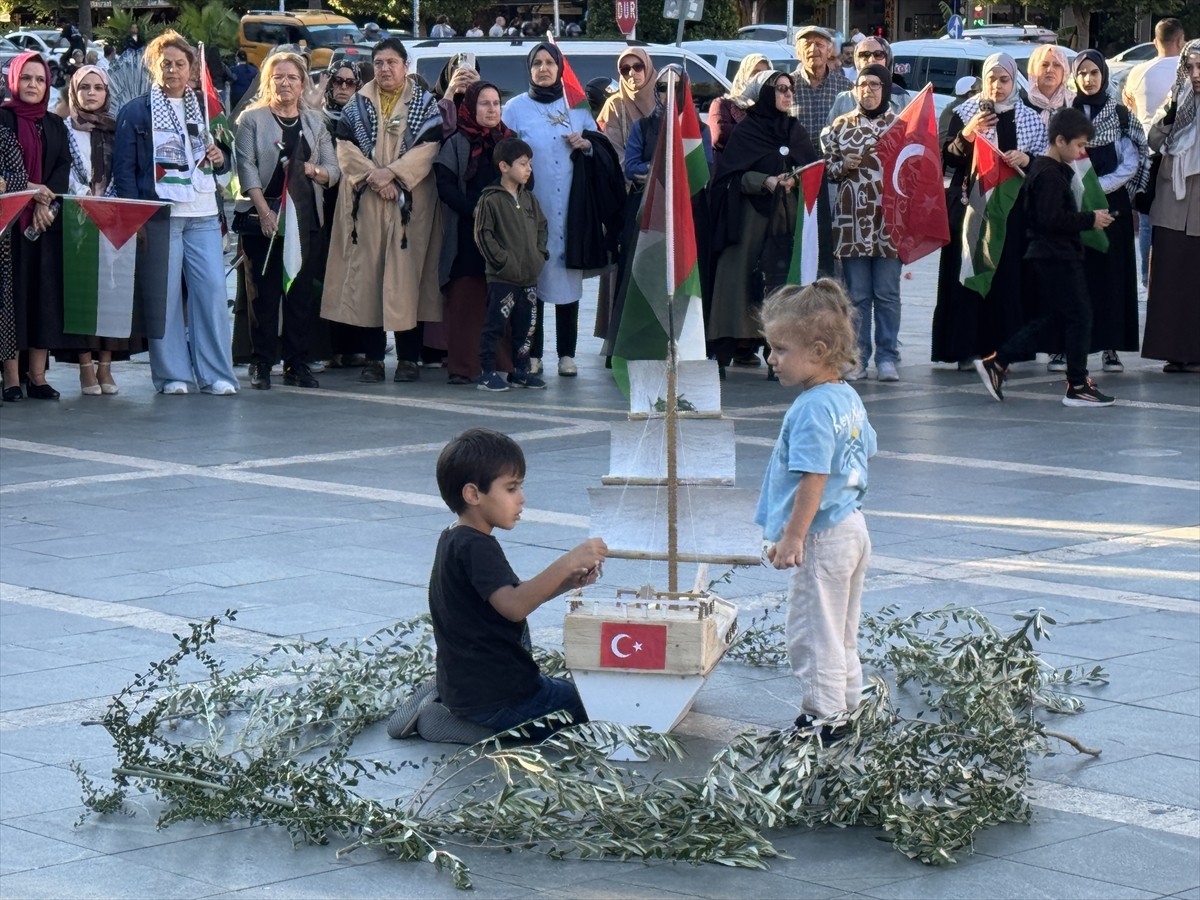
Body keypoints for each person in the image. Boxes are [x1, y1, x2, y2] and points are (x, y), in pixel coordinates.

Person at [428, 428, 605, 740]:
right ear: (473, 494)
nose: (521, 499)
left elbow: (506, 600)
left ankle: (452, 707)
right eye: (511, 488)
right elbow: (514, 606)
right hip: (500, 697)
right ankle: (472, 728)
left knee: (572, 692)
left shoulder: (455, 537)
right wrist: (568, 560)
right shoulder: (477, 546)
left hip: (474, 687)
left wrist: (566, 582)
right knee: (593, 706)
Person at [756, 280, 876, 738]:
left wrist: (793, 536)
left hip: (823, 535)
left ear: (819, 349)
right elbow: (868, 449)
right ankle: (847, 706)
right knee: (842, 629)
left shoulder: (809, 409)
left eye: (780, 349)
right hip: (853, 527)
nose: (772, 359)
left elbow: (814, 477)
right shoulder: (846, 396)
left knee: (812, 632)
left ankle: (823, 719)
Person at [111, 31, 238, 396]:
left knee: (212, 293)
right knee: (164, 298)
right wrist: (135, 219)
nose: (172, 70)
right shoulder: (136, 110)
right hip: (160, 215)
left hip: (203, 214)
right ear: (154, 66)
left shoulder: (207, 106)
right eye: (165, 64)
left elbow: (225, 157)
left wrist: (220, 157)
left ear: (192, 69)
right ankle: (172, 376)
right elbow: (124, 169)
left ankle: (216, 374)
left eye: (180, 64)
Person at [321, 38, 444, 384]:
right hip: (368, 203)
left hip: (410, 203)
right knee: (369, 280)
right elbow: (344, 149)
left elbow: (429, 147)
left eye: (392, 62)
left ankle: (408, 359)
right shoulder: (356, 105)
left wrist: (394, 174)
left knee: (408, 280)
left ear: (405, 66)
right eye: (378, 63)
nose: (385, 68)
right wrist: (376, 177)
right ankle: (373, 359)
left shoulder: (425, 104)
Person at [975, 107, 1116, 407]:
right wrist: (1089, 219)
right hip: (1056, 254)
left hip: (1050, 254)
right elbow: (1051, 219)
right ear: (1060, 140)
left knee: (1056, 318)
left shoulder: (1047, 170)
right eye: (1078, 146)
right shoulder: (1050, 174)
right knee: (1079, 316)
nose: (1081, 153)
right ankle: (1077, 385)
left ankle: (998, 362)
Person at [932, 52, 1047, 369]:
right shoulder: (963, 112)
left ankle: (1004, 348)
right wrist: (966, 135)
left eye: (1004, 79)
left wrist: (1027, 160)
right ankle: (965, 347)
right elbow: (946, 160)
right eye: (992, 79)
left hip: (1011, 213)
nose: (997, 86)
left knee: (1006, 277)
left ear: (1014, 82)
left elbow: (1046, 167)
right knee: (969, 273)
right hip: (972, 209)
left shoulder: (1029, 118)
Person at [235, 51, 338, 391]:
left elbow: (333, 172)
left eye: (292, 77)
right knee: (262, 296)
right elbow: (246, 167)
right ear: (268, 81)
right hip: (264, 218)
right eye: (278, 76)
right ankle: (261, 362)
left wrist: (311, 169)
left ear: (302, 82)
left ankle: (297, 362)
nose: (285, 82)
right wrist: (264, 212)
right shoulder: (252, 119)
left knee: (300, 295)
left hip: (305, 219)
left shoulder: (315, 122)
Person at [502, 42, 601, 378]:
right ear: (529, 69)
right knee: (535, 281)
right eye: (537, 63)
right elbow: (503, 154)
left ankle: (567, 354)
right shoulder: (515, 108)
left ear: (559, 68)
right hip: (532, 207)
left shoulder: (577, 107)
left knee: (568, 278)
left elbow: (600, 150)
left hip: (570, 208)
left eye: (549, 63)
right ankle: (534, 353)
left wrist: (586, 145)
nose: (543, 69)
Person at [709, 70, 816, 370]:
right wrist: (764, 180)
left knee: (780, 284)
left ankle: (779, 348)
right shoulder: (748, 130)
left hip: (785, 220)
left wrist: (796, 179)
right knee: (739, 280)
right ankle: (734, 344)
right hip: (749, 221)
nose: (787, 95)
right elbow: (729, 177)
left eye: (790, 89)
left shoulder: (795, 129)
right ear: (765, 94)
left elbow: (810, 167)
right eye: (780, 89)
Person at [1070, 50, 1150, 375]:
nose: (1089, 79)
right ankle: (1069, 347)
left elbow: (1134, 156)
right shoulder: (1067, 113)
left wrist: (1099, 187)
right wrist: (1081, 189)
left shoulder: (1119, 114)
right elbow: (1058, 156)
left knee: (1112, 276)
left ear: (1104, 74)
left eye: (1094, 72)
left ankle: (1110, 347)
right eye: (1083, 73)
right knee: (1077, 274)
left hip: (1112, 203)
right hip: (1074, 204)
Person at [1, 52, 73, 401]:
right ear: (13, 81)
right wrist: (34, 194)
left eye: (40, 79)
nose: (33, 85)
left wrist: (50, 205)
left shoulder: (54, 123)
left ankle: (38, 376)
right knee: (12, 299)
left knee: (43, 297)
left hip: (45, 225)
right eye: (26, 78)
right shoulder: (2, 119)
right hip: (8, 227)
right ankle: (12, 378)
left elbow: (62, 168)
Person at [435, 81, 515, 385]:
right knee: (466, 301)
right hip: (466, 234)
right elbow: (444, 185)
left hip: (504, 234)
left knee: (501, 300)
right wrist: (477, 211)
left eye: (496, 103)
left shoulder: (510, 141)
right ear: (469, 107)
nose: (492, 109)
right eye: (484, 103)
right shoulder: (456, 142)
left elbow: (526, 179)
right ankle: (464, 366)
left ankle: (502, 364)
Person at [826, 64, 901, 383]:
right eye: (862, 84)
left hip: (889, 224)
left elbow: (913, 169)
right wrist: (843, 165)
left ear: (885, 88)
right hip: (852, 221)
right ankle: (857, 358)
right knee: (856, 295)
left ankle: (887, 357)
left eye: (874, 84)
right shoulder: (840, 127)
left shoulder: (899, 126)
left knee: (886, 293)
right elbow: (826, 169)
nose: (867, 90)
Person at [59, 65, 128, 396]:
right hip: (76, 217)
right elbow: (61, 167)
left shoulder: (116, 130)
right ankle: (86, 366)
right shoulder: (63, 129)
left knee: (111, 293)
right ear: (74, 92)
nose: (90, 93)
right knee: (81, 294)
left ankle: (106, 365)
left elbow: (123, 168)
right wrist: (84, 197)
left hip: (112, 217)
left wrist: (108, 201)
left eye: (97, 87)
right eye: (84, 87)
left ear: (106, 93)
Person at [1141, 39, 1200, 373]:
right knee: (1169, 280)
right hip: (1172, 205)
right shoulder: (1175, 100)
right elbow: (1153, 139)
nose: (1195, 74)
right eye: (1189, 67)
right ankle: (1173, 353)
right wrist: (1173, 111)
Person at [473, 138, 548, 392]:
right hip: (502, 279)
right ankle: (487, 372)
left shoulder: (530, 199)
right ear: (504, 166)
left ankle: (521, 371)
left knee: (526, 328)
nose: (528, 169)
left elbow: (541, 227)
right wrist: (502, 263)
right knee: (495, 326)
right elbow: (483, 235)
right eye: (523, 164)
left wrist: (539, 255)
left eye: (530, 164)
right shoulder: (490, 200)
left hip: (529, 279)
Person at [1124, 18, 1186, 288]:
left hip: (1148, 153)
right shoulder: (1187, 70)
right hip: (1181, 156)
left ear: (1154, 42)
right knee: (1180, 220)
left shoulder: (1138, 72)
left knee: (1147, 220)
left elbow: (1130, 107)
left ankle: (1147, 278)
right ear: (1181, 41)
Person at [823, 36, 910, 143]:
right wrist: (843, 154)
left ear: (887, 59)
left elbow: (913, 141)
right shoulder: (844, 99)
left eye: (878, 54)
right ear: (856, 61)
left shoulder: (902, 99)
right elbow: (828, 136)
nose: (871, 59)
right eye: (864, 55)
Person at [0, 123, 28, 401]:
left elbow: (21, 177)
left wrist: (4, 181)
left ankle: (11, 378)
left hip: (1, 235)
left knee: (2, 308)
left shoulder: (4, 136)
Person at [596, 48, 657, 165]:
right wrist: (635, 174)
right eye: (625, 70)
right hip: (631, 178)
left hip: (667, 177)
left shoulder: (667, 99)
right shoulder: (615, 104)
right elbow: (613, 150)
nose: (631, 73)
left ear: (648, 67)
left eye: (638, 67)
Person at [708, 52, 769, 163]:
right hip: (732, 173)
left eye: (765, 74)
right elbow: (720, 136)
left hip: (765, 176)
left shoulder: (771, 108)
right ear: (744, 75)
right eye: (754, 73)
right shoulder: (723, 104)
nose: (759, 78)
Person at [1024, 44, 1072, 129]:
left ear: (1064, 70)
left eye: (1057, 65)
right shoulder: (1022, 107)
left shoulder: (1073, 103)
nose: (1050, 70)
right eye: (1044, 65)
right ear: (1033, 69)